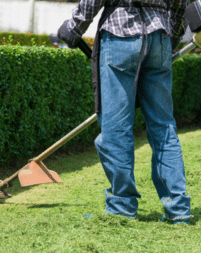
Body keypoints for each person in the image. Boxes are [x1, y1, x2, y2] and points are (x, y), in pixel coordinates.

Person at [58, 0, 192, 224]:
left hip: (121, 32)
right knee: (163, 125)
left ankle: (122, 205)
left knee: (116, 127)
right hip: (160, 36)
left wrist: (74, 27)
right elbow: (181, 4)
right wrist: (173, 35)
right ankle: (178, 208)